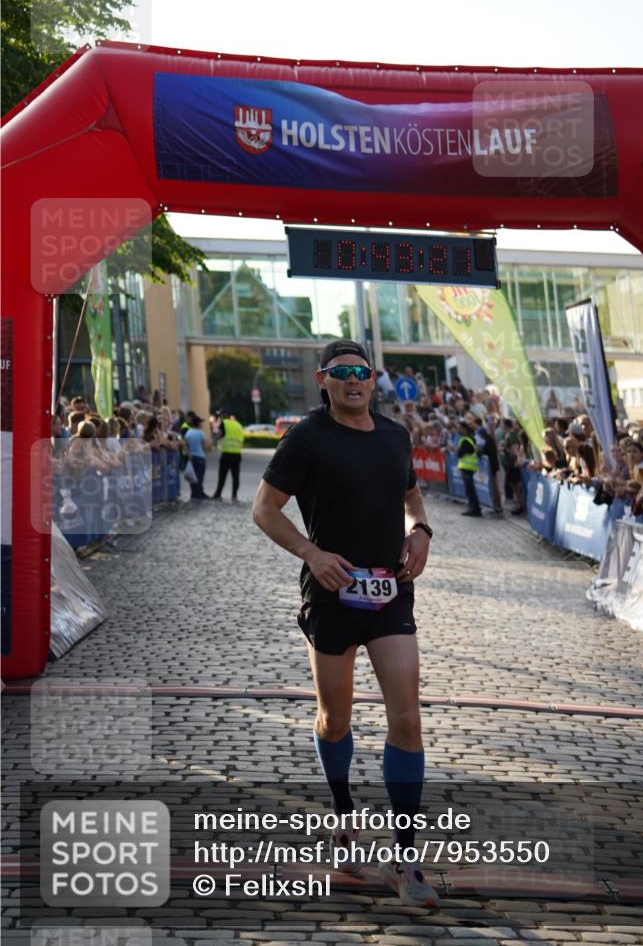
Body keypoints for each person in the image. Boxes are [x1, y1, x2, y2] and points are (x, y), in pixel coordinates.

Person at [252, 338, 439, 907]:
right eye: (342, 373)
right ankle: (344, 815)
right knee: (335, 718)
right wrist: (312, 554)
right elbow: (264, 509)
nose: (354, 380)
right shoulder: (307, 437)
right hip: (331, 596)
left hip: (389, 595)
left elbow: (413, 497)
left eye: (362, 371)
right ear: (324, 381)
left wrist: (421, 531)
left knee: (406, 721)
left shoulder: (394, 436)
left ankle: (405, 862)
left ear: (374, 379)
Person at [213, 411, 244, 501]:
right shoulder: (238, 425)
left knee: (222, 476)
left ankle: (218, 494)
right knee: (236, 476)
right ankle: (234, 495)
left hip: (226, 454)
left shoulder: (224, 423)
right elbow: (241, 439)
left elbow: (219, 434)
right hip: (237, 455)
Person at [454, 417, 482, 517]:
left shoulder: (466, 440)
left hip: (468, 467)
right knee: (470, 490)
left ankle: (474, 509)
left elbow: (460, 454)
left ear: (464, 428)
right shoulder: (469, 438)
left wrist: (457, 450)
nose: (457, 430)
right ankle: (473, 508)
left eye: (459, 428)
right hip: (469, 467)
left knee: (470, 490)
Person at [183, 416, 209, 500]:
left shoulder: (188, 432)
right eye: (201, 422)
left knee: (192, 477)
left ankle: (194, 494)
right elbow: (204, 446)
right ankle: (198, 494)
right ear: (198, 423)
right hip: (200, 456)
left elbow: (184, 444)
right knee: (200, 476)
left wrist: (188, 453)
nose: (202, 424)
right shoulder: (201, 433)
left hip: (192, 457)